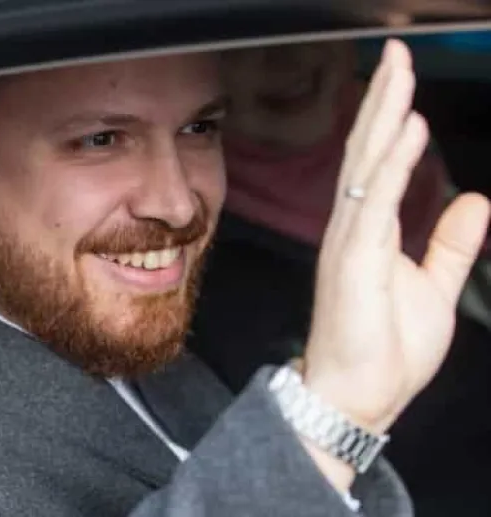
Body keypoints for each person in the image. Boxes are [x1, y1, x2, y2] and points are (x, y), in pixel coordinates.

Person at [0, 40, 487, 516]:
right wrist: (325, 418)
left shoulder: (86, 307)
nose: (177, 201)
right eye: (101, 140)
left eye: (199, 128)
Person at [187, 40, 491, 515]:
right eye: (243, 44)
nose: (286, 57)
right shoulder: (203, 275)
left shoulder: (410, 137)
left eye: (302, 25)